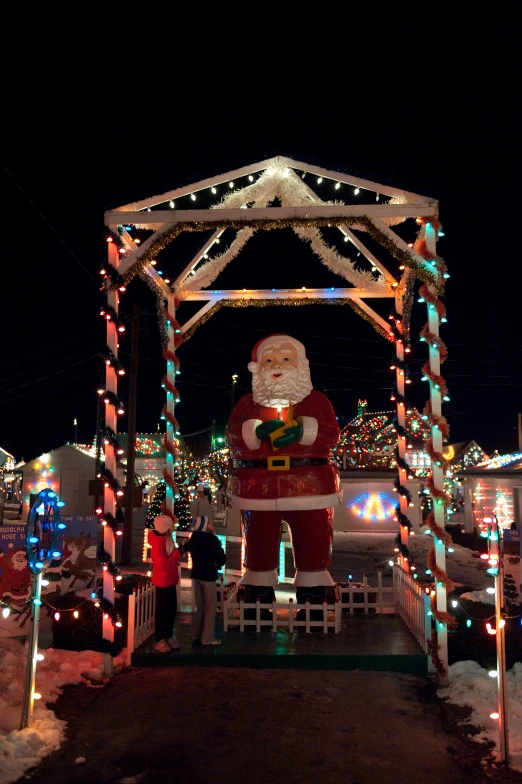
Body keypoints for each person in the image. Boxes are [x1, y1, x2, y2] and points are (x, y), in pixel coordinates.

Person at [226, 334, 341, 607]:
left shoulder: (316, 402)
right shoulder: (247, 404)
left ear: (301, 365)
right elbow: (232, 435)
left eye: (286, 359)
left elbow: (331, 433)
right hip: (258, 487)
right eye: (269, 360)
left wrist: (305, 430)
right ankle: (257, 593)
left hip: (309, 486)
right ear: (257, 367)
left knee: (313, 540)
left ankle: (313, 596)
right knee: (258, 541)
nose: (277, 365)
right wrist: (253, 431)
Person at [184, 516, 226, 646]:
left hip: (196, 575)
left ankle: (195, 634)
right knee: (210, 607)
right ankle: (207, 637)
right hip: (208, 575)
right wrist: (219, 562)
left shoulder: (193, 538)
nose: (212, 524)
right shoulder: (212, 540)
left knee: (200, 607)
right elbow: (220, 557)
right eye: (210, 523)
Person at [148, 513, 185, 653]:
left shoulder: (166, 539)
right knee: (162, 610)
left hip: (169, 578)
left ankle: (168, 635)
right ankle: (160, 638)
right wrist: (178, 552)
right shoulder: (159, 543)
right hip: (163, 579)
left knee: (171, 608)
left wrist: (179, 550)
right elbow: (163, 564)